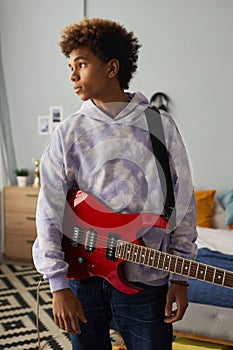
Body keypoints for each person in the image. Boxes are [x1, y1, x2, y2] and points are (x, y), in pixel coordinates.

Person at [32, 17, 197, 350]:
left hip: (147, 282)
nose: (72, 74)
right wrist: (58, 285)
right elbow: (50, 208)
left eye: (81, 64)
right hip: (83, 279)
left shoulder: (159, 125)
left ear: (111, 68)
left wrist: (180, 277)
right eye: (70, 65)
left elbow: (183, 203)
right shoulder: (68, 132)